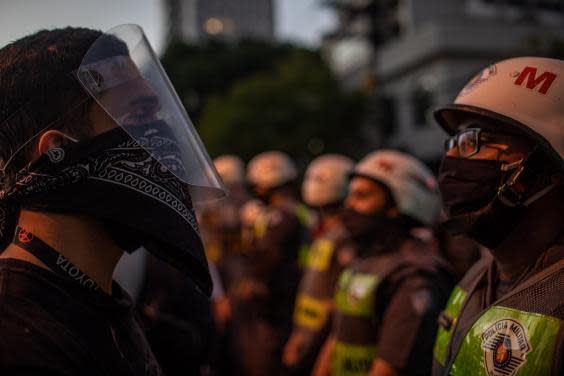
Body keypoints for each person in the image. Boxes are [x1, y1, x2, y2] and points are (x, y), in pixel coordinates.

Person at [0, 24, 225, 375]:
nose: (161, 137)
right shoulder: (15, 331)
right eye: (138, 116)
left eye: (159, 115)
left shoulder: (95, 294)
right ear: (59, 152)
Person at [432, 57, 564, 376]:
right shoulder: (477, 276)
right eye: (454, 142)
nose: (451, 158)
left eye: (476, 140)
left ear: (548, 167)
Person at [313, 150, 454, 376]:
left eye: (362, 196)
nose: (348, 205)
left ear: (398, 205)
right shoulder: (365, 259)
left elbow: (390, 368)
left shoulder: (414, 276)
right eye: (350, 195)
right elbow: (338, 334)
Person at [283, 154, 355, 375]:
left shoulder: (345, 238)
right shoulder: (323, 234)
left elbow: (342, 303)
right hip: (308, 335)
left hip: (324, 342)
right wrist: (298, 334)